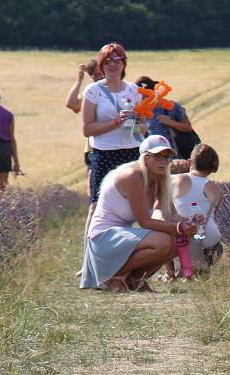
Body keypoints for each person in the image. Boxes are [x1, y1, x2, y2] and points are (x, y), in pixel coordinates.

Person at [80, 135, 196, 292]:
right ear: (145, 158)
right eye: (158, 156)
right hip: (102, 238)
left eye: (167, 157)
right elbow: (145, 222)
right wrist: (177, 227)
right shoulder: (132, 176)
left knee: (179, 239)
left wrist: (188, 222)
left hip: (120, 237)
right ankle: (113, 276)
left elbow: (168, 214)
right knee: (164, 242)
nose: (163, 161)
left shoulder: (159, 179)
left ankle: (135, 279)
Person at [82, 42, 147, 251]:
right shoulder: (93, 91)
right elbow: (87, 129)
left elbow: (144, 128)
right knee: (96, 206)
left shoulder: (134, 91)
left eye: (117, 60)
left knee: (137, 206)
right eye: (107, 61)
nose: (112, 64)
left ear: (123, 64)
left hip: (131, 153)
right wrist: (116, 123)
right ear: (101, 65)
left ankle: (131, 255)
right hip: (104, 153)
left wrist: (137, 122)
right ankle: (89, 259)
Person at [160, 144, 223, 281]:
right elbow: (212, 215)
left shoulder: (174, 180)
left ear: (189, 162)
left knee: (165, 225)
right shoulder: (216, 189)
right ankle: (198, 265)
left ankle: (175, 270)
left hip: (183, 235)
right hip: (210, 238)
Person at [133, 75, 194, 157]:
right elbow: (135, 134)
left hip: (174, 157)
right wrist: (138, 125)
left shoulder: (172, 106)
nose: (140, 100)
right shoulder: (138, 111)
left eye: (143, 96)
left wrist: (170, 122)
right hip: (150, 158)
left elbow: (188, 127)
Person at [65, 59, 103, 180]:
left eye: (101, 73)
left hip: (116, 146)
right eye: (95, 75)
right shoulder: (90, 94)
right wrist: (79, 79)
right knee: (94, 188)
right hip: (93, 148)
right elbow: (71, 104)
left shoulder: (121, 90)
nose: (99, 77)